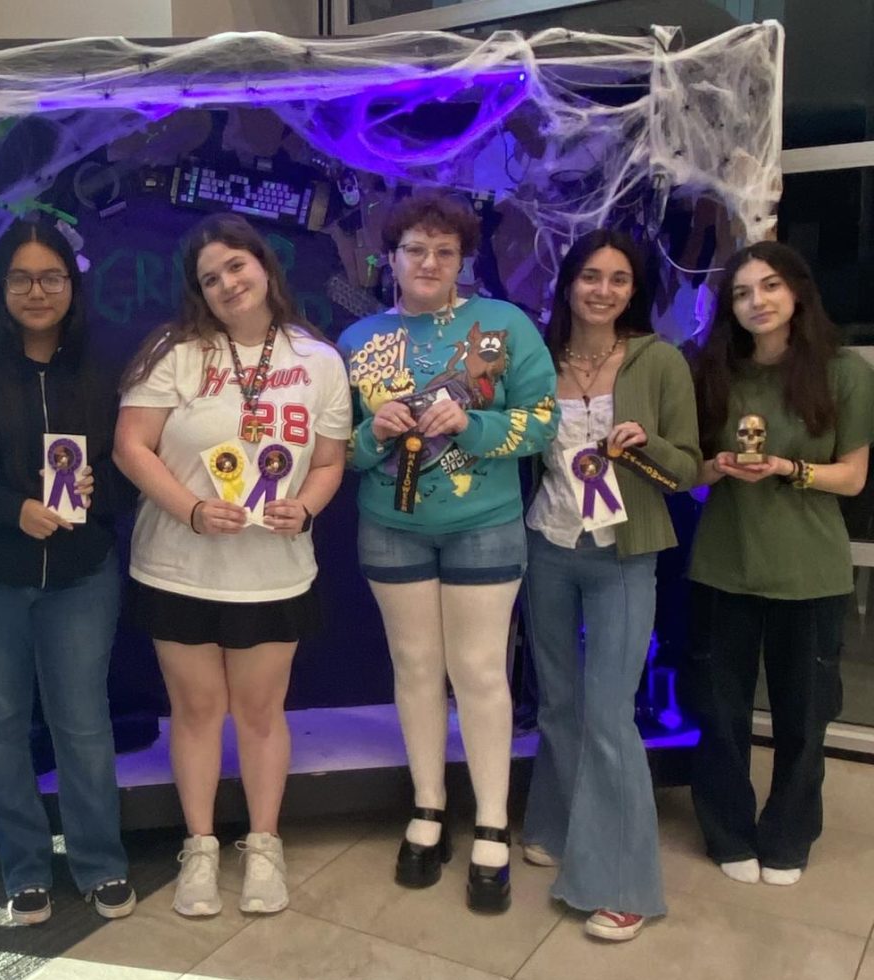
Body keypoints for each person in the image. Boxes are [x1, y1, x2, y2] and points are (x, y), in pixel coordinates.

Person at [113, 214, 351, 917]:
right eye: (209, 278)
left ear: (266, 266)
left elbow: (332, 461)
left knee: (259, 711)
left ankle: (264, 844)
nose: (226, 284)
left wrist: (304, 507)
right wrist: (189, 507)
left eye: (235, 267)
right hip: (178, 567)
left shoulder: (320, 361)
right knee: (195, 711)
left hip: (272, 571)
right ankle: (199, 846)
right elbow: (132, 446)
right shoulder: (175, 351)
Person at [0, 219, 136, 926]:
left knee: (83, 723)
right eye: (21, 277)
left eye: (52, 277)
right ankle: (25, 868)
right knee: (0, 723)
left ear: (73, 284)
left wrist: (105, 490)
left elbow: (138, 459)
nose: (37, 292)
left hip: (80, 572)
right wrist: (13, 509)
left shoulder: (108, 361)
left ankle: (101, 862)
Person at [340, 194, 558, 913]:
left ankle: (492, 818)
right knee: (415, 668)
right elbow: (332, 450)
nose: (427, 262)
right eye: (413, 249)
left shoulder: (505, 325)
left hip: (486, 522)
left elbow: (541, 421)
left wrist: (474, 422)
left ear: (462, 258)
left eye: (442, 250)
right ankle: (429, 806)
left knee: (480, 671)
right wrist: (375, 434)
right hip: (389, 524)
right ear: (390, 258)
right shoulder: (356, 340)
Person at [521, 229, 701, 941]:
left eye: (619, 279)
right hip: (548, 547)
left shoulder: (659, 362)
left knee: (609, 712)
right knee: (558, 700)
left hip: (626, 554)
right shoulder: (539, 361)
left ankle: (625, 883)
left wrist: (646, 445)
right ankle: (559, 824)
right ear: (569, 283)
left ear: (635, 290)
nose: (603, 289)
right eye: (591, 275)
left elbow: (687, 467)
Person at [688, 241, 873, 886]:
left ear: (797, 291)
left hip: (810, 574)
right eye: (741, 294)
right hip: (722, 567)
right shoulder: (714, 372)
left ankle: (789, 836)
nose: (756, 303)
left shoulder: (844, 372)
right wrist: (717, 468)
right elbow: (689, 470)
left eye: (768, 287)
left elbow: (852, 478)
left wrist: (787, 469)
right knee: (719, 712)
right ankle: (728, 830)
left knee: (804, 716)